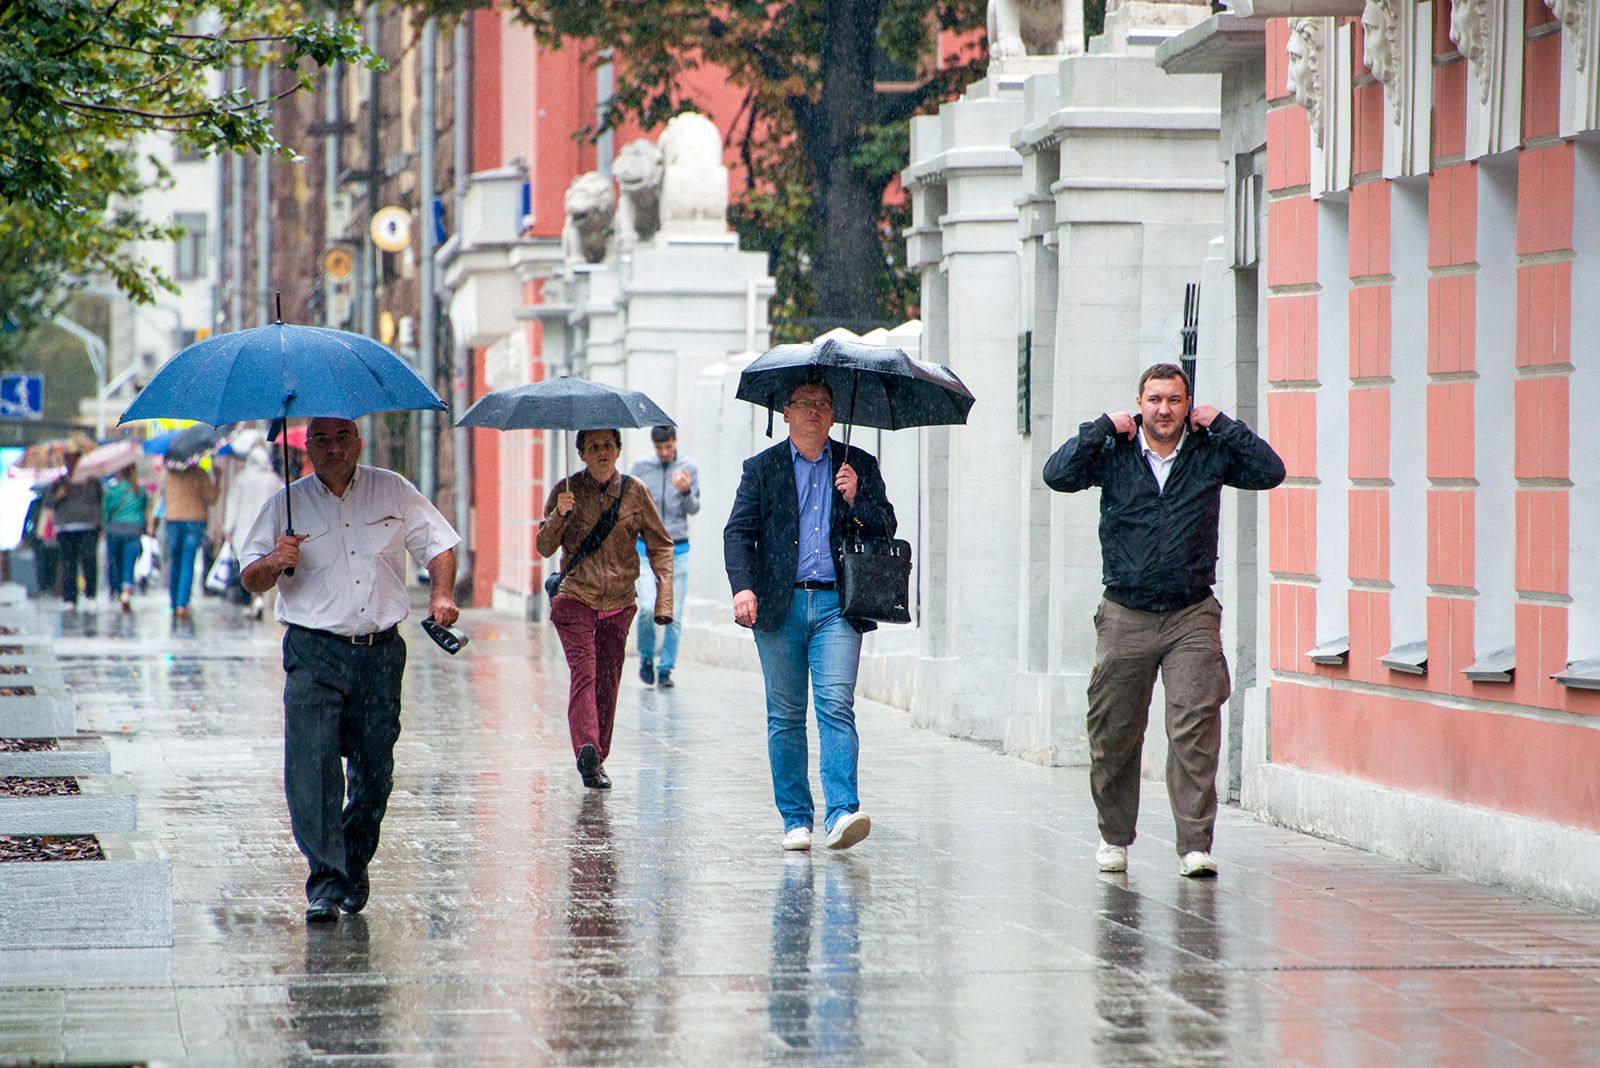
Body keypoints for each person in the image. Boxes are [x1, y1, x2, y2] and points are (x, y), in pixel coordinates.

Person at [1042, 363, 1285, 878]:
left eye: (1174, 400)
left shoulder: (1209, 451)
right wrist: (1103, 427)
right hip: (1125, 612)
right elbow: (1057, 474)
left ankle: (1194, 845)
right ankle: (1114, 837)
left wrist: (1224, 424)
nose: (1164, 410)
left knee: (1194, 726)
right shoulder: (1114, 452)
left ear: (1187, 403)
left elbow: (1271, 471)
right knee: (1113, 734)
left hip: (1191, 613)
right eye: (1154, 400)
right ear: (1140, 403)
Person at [238, 417, 460, 924]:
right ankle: (325, 882)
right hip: (314, 651)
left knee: (374, 770)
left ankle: (352, 862)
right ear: (307, 446)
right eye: (322, 439)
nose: (334, 448)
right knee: (312, 769)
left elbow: (440, 543)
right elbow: (250, 577)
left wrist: (443, 593)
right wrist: (276, 560)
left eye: (343, 438)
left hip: (379, 653)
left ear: (360, 441)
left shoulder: (393, 491)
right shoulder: (284, 504)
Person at [723, 380, 898, 853]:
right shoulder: (762, 470)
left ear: (834, 413)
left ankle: (842, 812)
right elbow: (737, 533)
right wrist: (743, 588)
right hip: (779, 606)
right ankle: (796, 819)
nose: (814, 413)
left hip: (838, 606)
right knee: (785, 715)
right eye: (804, 404)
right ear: (786, 412)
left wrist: (856, 500)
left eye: (823, 404)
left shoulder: (857, 464)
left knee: (836, 704)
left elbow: (887, 527)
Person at [538, 429, 675, 791]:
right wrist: (559, 516)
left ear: (618, 450)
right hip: (574, 596)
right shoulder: (564, 490)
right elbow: (543, 547)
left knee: (607, 681)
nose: (602, 453)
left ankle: (597, 757)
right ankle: (586, 748)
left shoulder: (634, 492)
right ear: (581, 452)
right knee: (584, 672)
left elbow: (661, 545)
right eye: (594, 447)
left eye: (608, 446)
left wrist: (663, 600)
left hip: (618, 602)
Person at [629, 425, 699, 689]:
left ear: (675, 442)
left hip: (677, 549)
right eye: (660, 448)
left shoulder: (688, 467)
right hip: (645, 549)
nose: (665, 452)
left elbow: (694, 508)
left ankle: (666, 668)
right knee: (647, 607)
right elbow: (630, 505)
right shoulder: (641, 467)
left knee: (674, 614)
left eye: (669, 447)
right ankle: (646, 657)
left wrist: (685, 491)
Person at [225, 445, 283, 620]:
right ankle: (258, 597)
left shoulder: (241, 479)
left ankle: (249, 601)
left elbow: (233, 504)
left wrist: (228, 528)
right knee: (262, 564)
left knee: (246, 565)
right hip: (267, 530)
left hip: (243, 530)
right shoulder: (274, 480)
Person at [161, 460, 218, 620]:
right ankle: (182, 604)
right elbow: (211, 498)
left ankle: (173, 603)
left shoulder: (169, 474)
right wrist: (218, 479)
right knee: (188, 562)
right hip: (194, 520)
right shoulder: (199, 473)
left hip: (173, 519)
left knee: (175, 561)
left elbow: (162, 497)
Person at [50, 450, 102, 608]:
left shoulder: (92, 482)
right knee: (68, 563)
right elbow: (48, 503)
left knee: (89, 560)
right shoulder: (59, 482)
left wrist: (100, 523)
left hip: (88, 526)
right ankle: (69, 598)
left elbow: (100, 500)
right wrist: (58, 496)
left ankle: (90, 594)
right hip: (66, 527)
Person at [102, 464, 149, 612]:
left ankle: (116, 591)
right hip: (134, 529)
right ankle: (127, 590)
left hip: (115, 529)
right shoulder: (139, 490)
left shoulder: (112, 490)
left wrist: (104, 527)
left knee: (115, 562)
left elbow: (106, 511)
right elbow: (143, 508)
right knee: (129, 563)